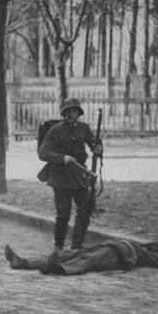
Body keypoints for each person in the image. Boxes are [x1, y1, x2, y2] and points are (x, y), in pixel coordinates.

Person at [38, 97, 104, 250]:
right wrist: (62, 158)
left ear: (78, 113)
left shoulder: (83, 128)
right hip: (60, 177)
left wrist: (98, 149)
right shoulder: (55, 130)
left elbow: (94, 145)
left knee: (84, 210)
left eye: (74, 111)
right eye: (67, 111)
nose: (70, 114)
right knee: (63, 215)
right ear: (63, 113)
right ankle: (58, 247)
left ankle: (76, 245)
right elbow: (43, 153)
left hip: (79, 175)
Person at [3, 236, 158, 275]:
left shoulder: (142, 254)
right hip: (108, 246)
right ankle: (23, 262)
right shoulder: (143, 246)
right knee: (67, 253)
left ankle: (59, 269)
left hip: (117, 254)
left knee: (87, 260)